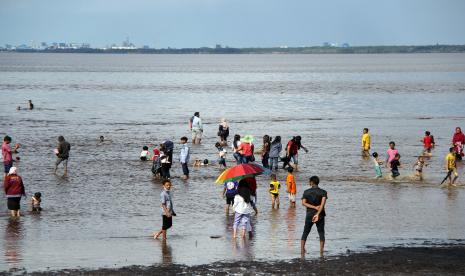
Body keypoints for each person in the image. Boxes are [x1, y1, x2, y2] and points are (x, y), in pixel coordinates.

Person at [301, 176, 327, 257]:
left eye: (309, 181)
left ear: (312, 182)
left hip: (309, 214)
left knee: (305, 232)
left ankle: (302, 249)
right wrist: (318, 213)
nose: (309, 183)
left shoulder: (306, 192)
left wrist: (313, 207)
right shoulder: (323, 192)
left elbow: (303, 203)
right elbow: (322, 204)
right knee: (321, 232)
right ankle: (321, 250)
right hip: (320, 215)